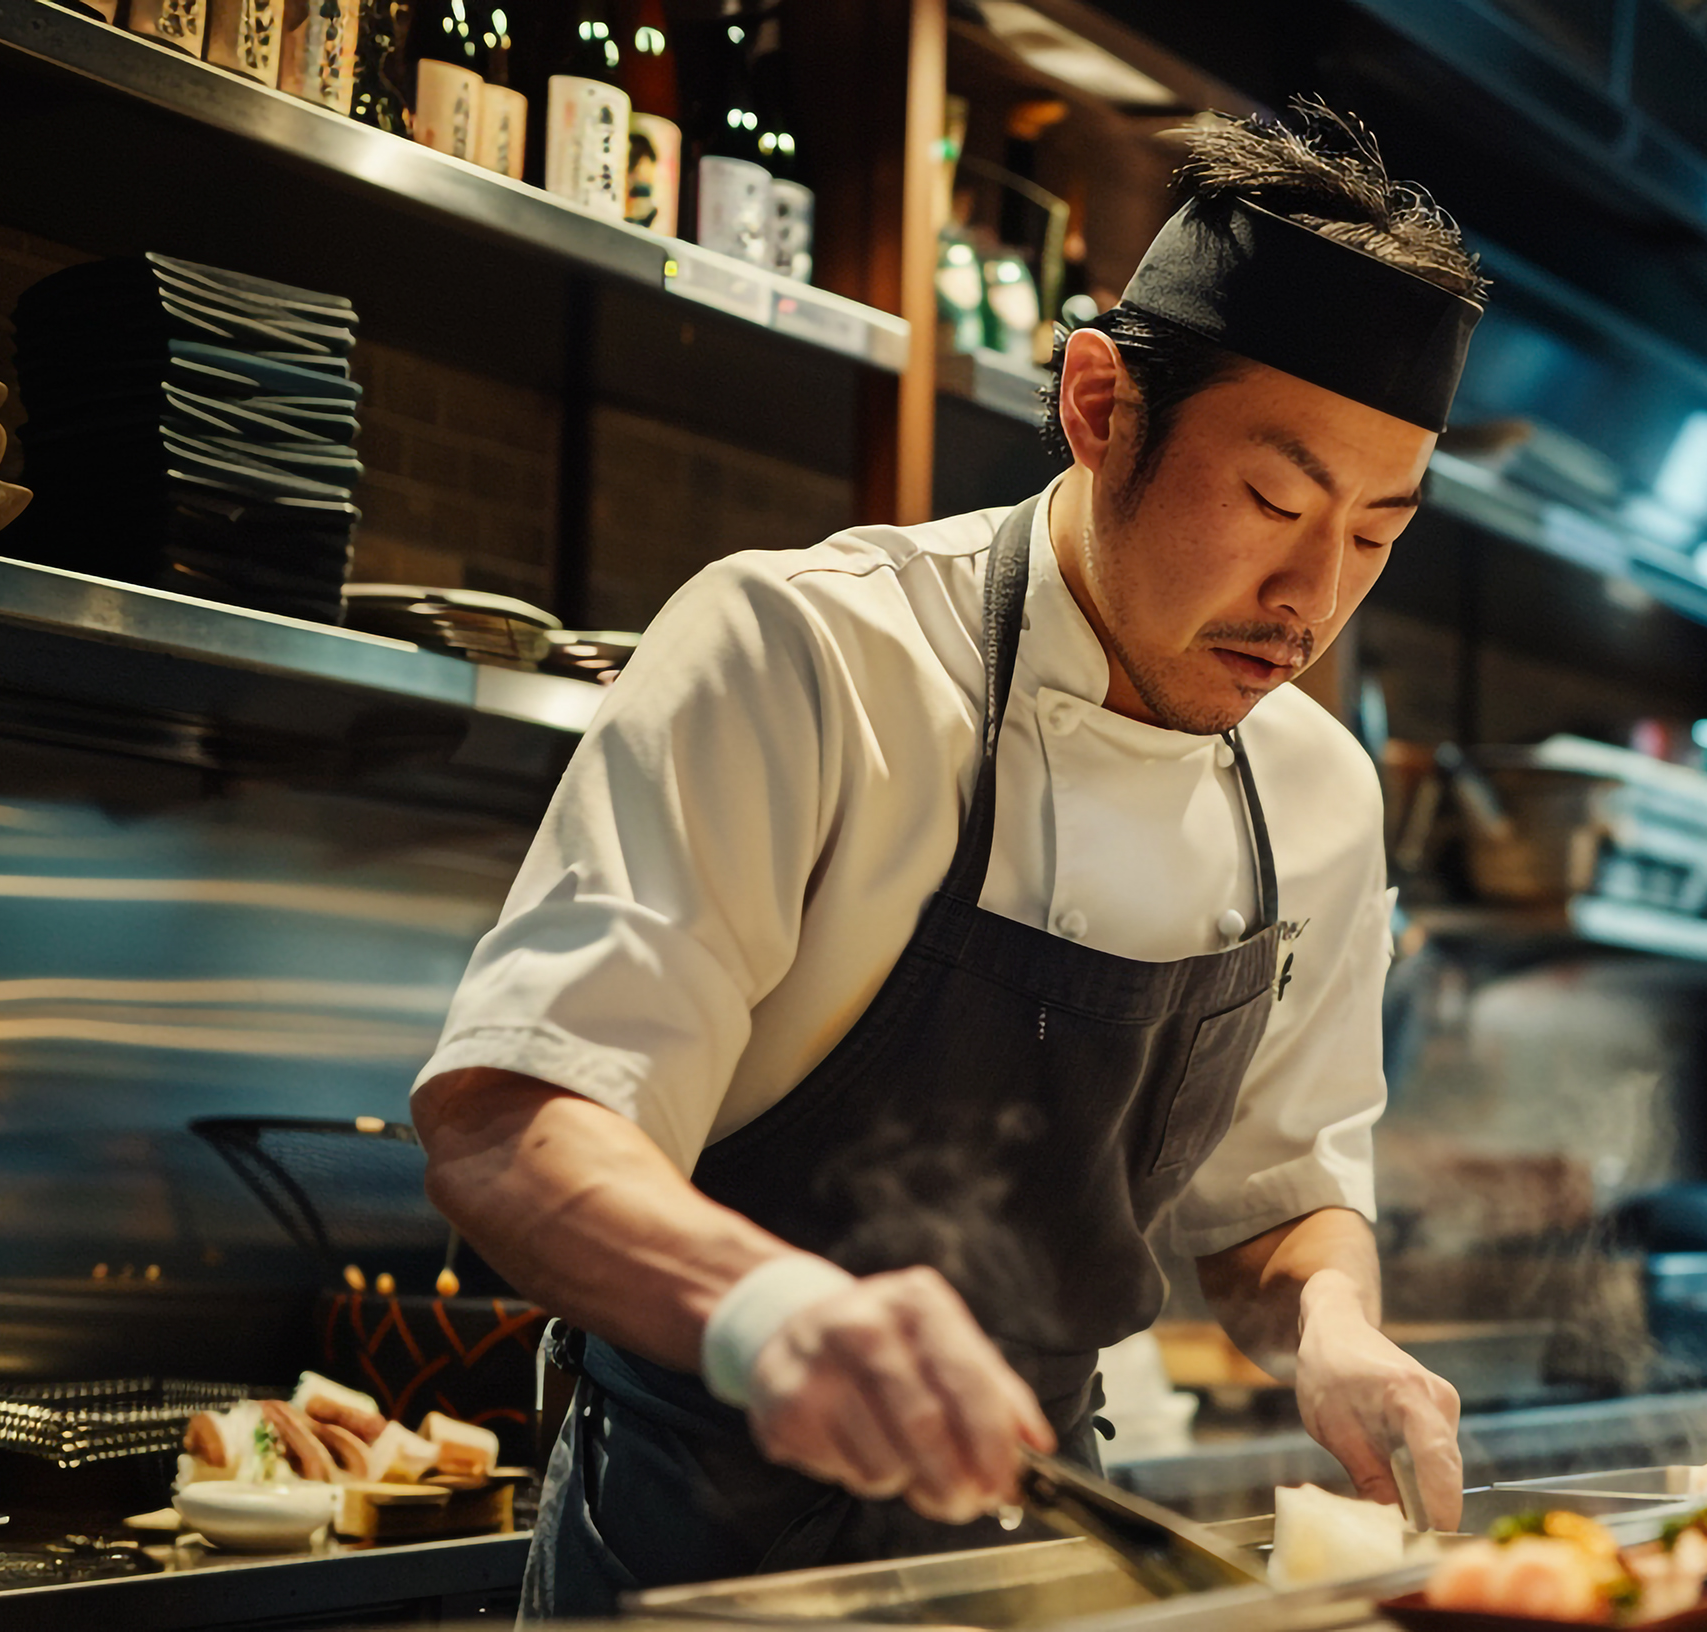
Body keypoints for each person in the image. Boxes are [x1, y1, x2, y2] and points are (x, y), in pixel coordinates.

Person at [410, 102, 1484, 1617]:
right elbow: (510, 1125)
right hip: (696, 1548)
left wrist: (1336, 1333)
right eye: (1272, 501)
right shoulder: (804, 656)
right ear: (1100, 405)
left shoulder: (1313, 789)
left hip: (1040, 1546)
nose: (1309, 599)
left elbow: (1277, 1198)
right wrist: (772, 1314)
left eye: (1376, 534)